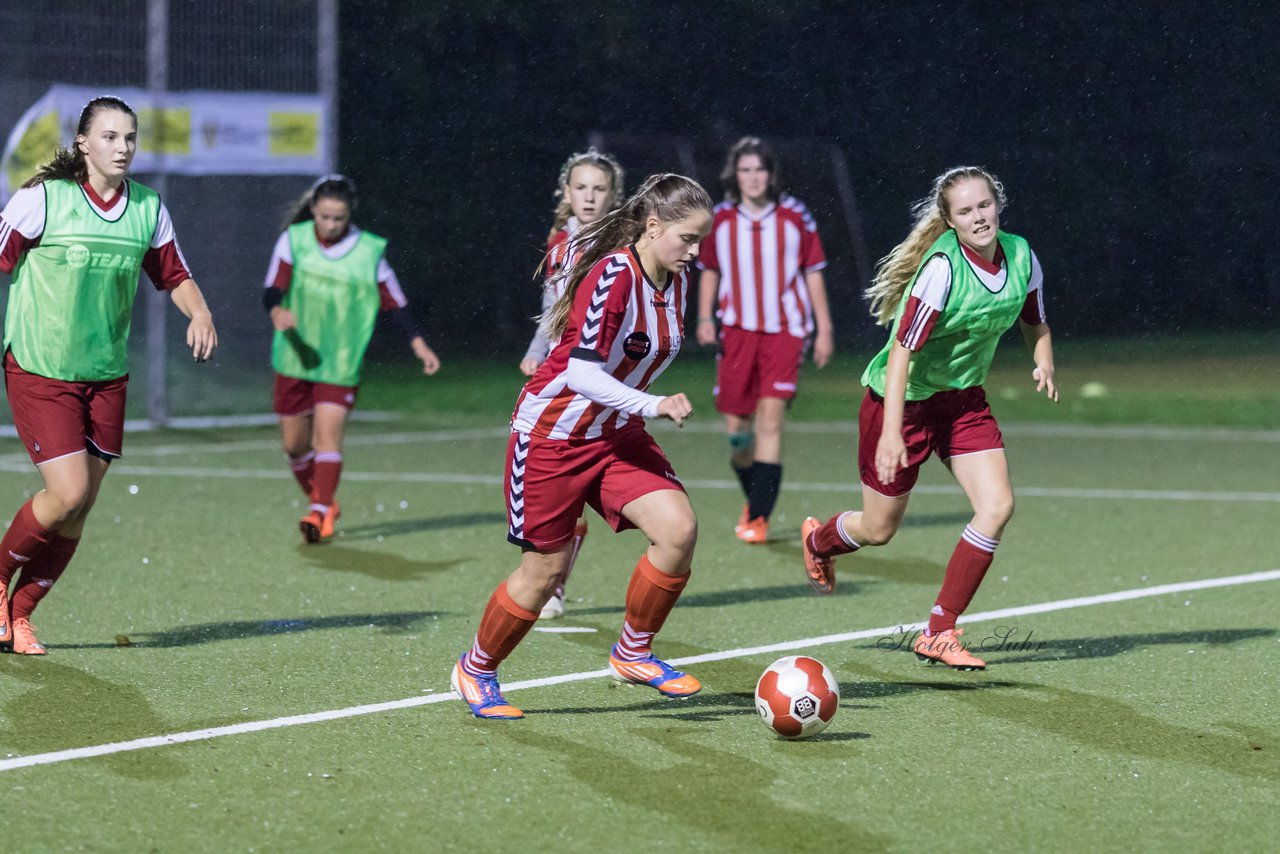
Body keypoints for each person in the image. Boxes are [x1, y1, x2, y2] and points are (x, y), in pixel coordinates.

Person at [451, 173, 713, 719]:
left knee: (678, 530)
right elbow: (581, 374)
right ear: (654, 224)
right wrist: (654, 403)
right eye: (687, 238)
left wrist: (639, 408)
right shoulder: (613, 275)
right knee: (544, 572)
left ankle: (632, 652)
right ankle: (475, 669)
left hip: (613, 435)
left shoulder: (678, 278)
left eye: (700, 240)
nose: (695, 250)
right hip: (552, 435)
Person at [800, 165, 1058, 670]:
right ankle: (818, 540)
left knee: (997, 505)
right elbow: (900, 353)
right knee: (879, 530)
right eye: (965, 211)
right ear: (950, 220)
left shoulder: (1022, 254)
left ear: (997, 204)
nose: (978, 217)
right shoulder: (942, 269)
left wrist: (1043, 358)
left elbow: (1034, 318)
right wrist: (892, 433)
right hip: (902, 402)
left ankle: (939, 631)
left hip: (962, 401)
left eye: (984, 205)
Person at [0, 96, 218, 654]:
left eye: (130, 138)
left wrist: (200, 312)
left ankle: (19, 615)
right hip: (41, 365)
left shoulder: (147, 208)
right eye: (110, 137)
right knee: (67, 492)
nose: (122, 148)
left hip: (105, 375)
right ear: (83, 143)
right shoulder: (42, 200)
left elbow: (175, 274)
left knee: (81, 507)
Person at [264, 174, 440, 544]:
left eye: (338, 219)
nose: (330, 225)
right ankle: (323, 501)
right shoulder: (293, 241)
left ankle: (320, 510)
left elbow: (396, 302)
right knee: (294, 446)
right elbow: (272, 289)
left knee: (328, 437)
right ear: (313, 210)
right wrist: (277, 311)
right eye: (324, 217)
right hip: (294, 357)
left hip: (340, 361)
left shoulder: (368, 251)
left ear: (349, 216)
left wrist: (419, 344)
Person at [696, 137, 834, 545]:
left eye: (760, 169)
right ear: (734, 175)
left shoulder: (796, 217)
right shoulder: (719, 219)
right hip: (737, 333)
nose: (753, 177)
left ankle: (758, 517)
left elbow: (813, 272)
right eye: (745, 170)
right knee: (738, 433)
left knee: (770, 420)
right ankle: (754, 495)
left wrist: (823, 329)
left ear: (770, 174)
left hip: (786, 332)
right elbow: (709, 269)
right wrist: (705, 317)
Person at [519, 148, 624, 619]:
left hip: (601, 376)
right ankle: (553, 582)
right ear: (566, 192)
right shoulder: (559, 242)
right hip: (560, 375)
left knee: (581, 482)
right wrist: (537, 350)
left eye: (598, 188)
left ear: (613, 195)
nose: (589, 196)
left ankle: (555, 585)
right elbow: (552, 301)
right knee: (562, 489)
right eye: (580, 187)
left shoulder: (625, 242)